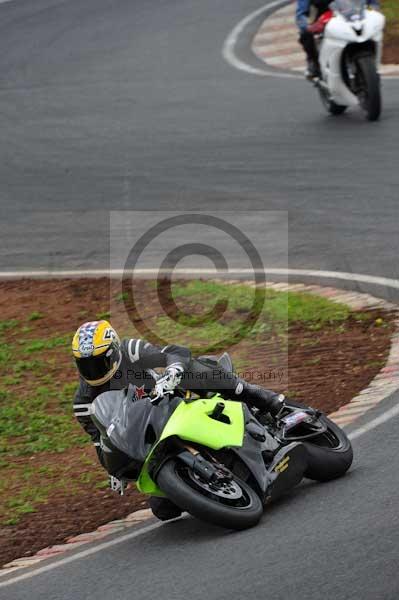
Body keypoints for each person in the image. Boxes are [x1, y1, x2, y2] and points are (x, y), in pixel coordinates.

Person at [72, 320, 286, 521]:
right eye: (86, 364)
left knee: (191, 370)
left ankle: (258, 395)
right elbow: (98, 439)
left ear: (115, 351)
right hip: (149, 434)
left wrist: (173, 370)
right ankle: (208, 487)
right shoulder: (83, 402)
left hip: (173, 399)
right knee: (163, 510)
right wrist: (113, 468)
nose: (93, 369)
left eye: (99, 361)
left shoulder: (130, 350)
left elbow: (173, 352)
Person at [296, 0, 380, 78]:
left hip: (353, 14)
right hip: (326, 18)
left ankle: (371, 60)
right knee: (306, 34)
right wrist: (308, 27)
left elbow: (372, 3)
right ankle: (314, 62)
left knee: (372, 28)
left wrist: (374, 8)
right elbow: (300, 15)